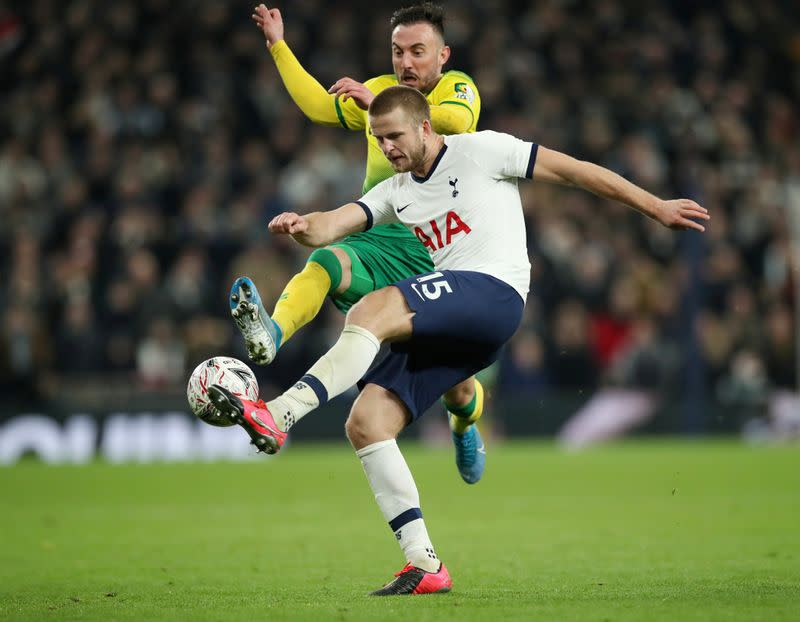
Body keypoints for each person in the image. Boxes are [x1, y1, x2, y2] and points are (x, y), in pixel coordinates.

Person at [209, 86, 709, 595]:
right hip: (461, 320)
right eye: (380, 139)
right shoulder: (396, 190)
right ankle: (424, 563)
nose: (388, 149)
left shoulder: (482, 150)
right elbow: (334, 224)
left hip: (495, 292)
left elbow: (576, 170)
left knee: (372, 309)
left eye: (396, 136)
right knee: (366, 422)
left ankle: (281, 413)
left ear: (425, 126)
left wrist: (655, 206)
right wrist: (302, 226)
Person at [233, 3, 488, 484]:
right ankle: (271, 333)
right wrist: (278, 46)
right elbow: (315, 105)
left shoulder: (460, 89)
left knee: (457, 388)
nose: (406, 63)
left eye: (418, 51)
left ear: (442, 56)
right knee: (325, 261)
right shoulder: (378, 90)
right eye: (398, 52)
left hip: (441, 249)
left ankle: (464, 425)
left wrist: (378, 106)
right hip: (383, 236)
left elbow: (450, 123)